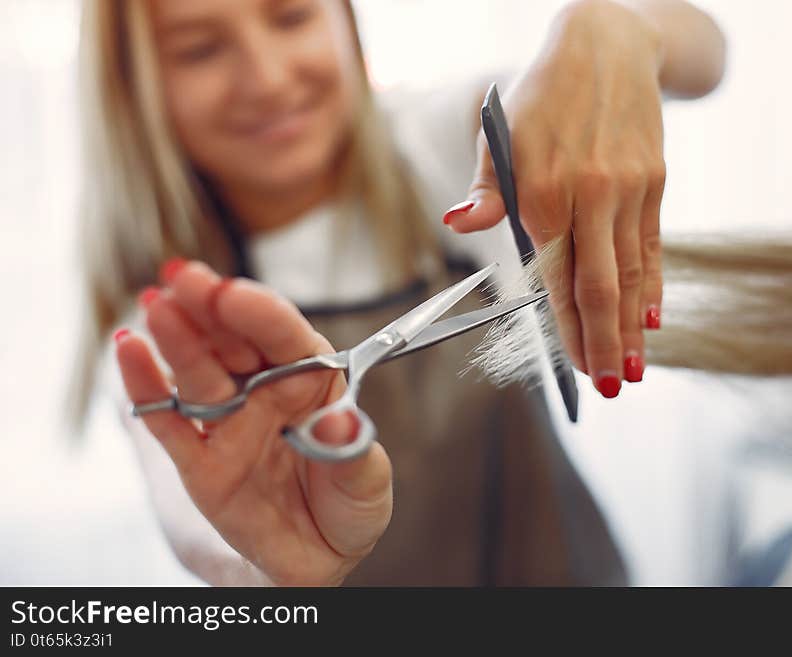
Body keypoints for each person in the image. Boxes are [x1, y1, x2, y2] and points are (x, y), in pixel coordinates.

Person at [70, 0, 726, 586]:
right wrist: (257, 567)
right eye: (200, 49)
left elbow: (709, 52)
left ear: (346, 20)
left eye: (292, 15)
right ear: (137, 85)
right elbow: (194, 519)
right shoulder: (162, 328)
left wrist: (613, 28)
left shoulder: (443, 149)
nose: (267, 78)